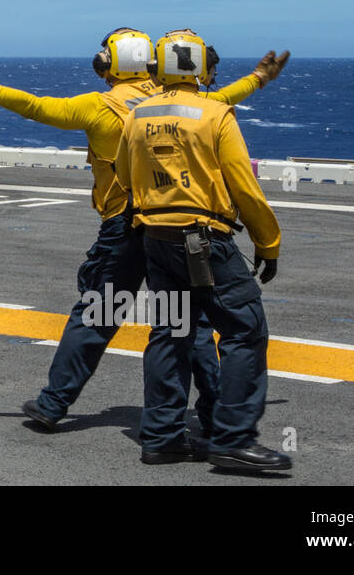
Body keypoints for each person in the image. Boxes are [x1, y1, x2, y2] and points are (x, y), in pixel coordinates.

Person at [0, 30, 288, 439]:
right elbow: (222, 99)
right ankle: (214, 418)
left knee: (97, 314)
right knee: (186, 323)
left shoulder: (97, 106)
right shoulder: (173, 103)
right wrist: (259, 78)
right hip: (172, 227)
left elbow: (34, 107)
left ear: (110, 65)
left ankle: (53, 404)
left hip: (125, 227)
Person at [115, 30, 290, 471]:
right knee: (244, 330)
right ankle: (233, 438)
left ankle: (161, 438)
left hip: (156, 238)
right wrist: (268, 242)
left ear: (156, 68)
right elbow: (243, 186)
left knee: (169, 335)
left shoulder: (137, 115)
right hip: (205, 241)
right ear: (206, 68)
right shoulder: (215, 113)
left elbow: (121, 173)